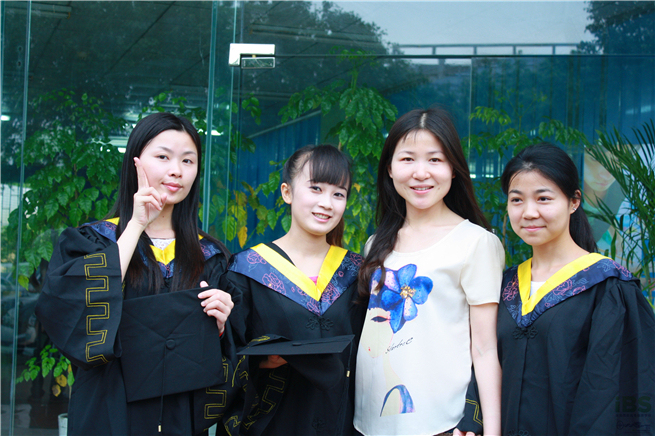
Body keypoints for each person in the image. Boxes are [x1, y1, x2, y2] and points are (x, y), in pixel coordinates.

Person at [35, 112, 237, 436]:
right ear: (135, 162)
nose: (176, 170)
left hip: (179, 415)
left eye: (188, 160)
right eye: (163, 157)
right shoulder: (93, 241)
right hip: (107, 410)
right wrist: (137, 225)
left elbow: (227, 358)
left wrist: (222, 326)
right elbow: (66, 313)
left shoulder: (210, 255)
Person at [355, 108, 504, 436]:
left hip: (441, 424)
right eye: (407, 159)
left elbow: (485, 349)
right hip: (369, 422)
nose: (420, 173)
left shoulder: (476, 243)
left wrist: (490, 430)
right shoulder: (375, 245)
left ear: (454, 169)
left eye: (435, 160)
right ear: (390, 169)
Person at [496, 143, 655, 435]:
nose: (529, 212)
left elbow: (612, 390)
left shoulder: (607, 285)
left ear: (574, 201)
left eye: (543, 198)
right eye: (516, 200)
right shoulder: (506, 285)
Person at [225, 144, 364, 435]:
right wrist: (262, 361)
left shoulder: (357, 272)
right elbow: (227, 353)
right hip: (275, 423)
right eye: (316, 188)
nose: (327, 203)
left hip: (342, 423)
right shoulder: (247, 269)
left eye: (338, 194)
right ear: (287, 192)